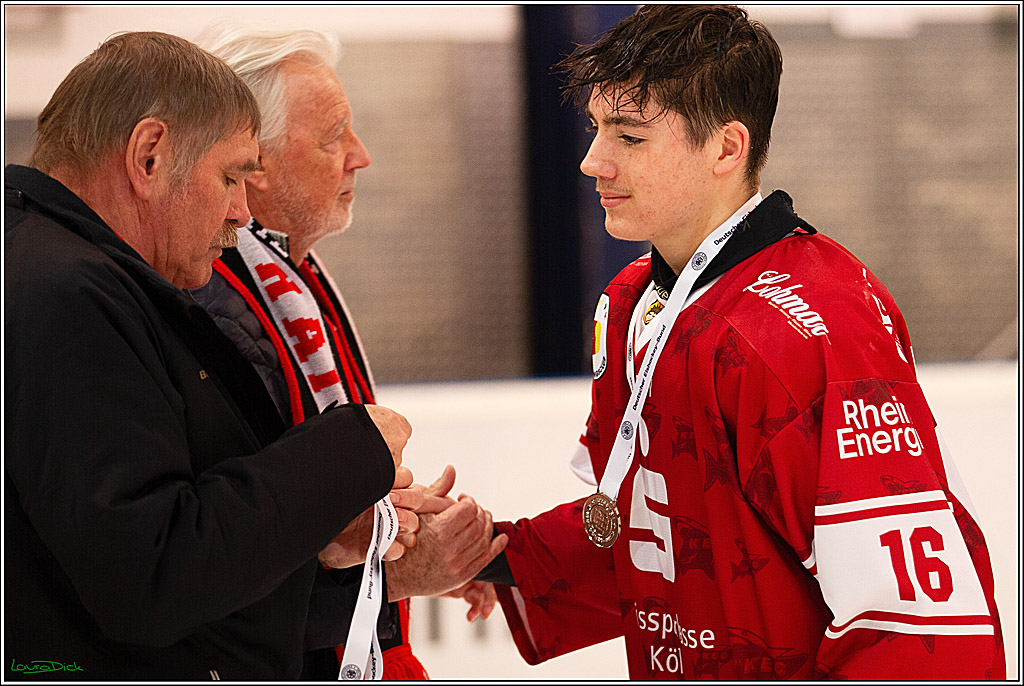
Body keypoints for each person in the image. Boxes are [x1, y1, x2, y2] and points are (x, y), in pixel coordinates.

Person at [486, 5, 1005, 680]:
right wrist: (493, 554)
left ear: (727, 149)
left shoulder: (807, 326)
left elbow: (913, 624)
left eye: (629, 136)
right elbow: (654, 530)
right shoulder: (631, 304)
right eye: (596, 128)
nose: (592, 161)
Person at [4, 31, 422, 681]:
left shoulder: (57, 268)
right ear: (149, 158)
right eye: (230, 176)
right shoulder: (66, 292)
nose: (238, 211)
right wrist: (351, 450)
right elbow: (153, 574)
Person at [188, 26, 506, 680]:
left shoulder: (289, 278)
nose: (360, 156)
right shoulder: (210, 303)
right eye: (333, 136)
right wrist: (398, 567)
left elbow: (322, 503)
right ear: (256, 160)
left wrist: (407, 528)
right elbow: (218, 567)